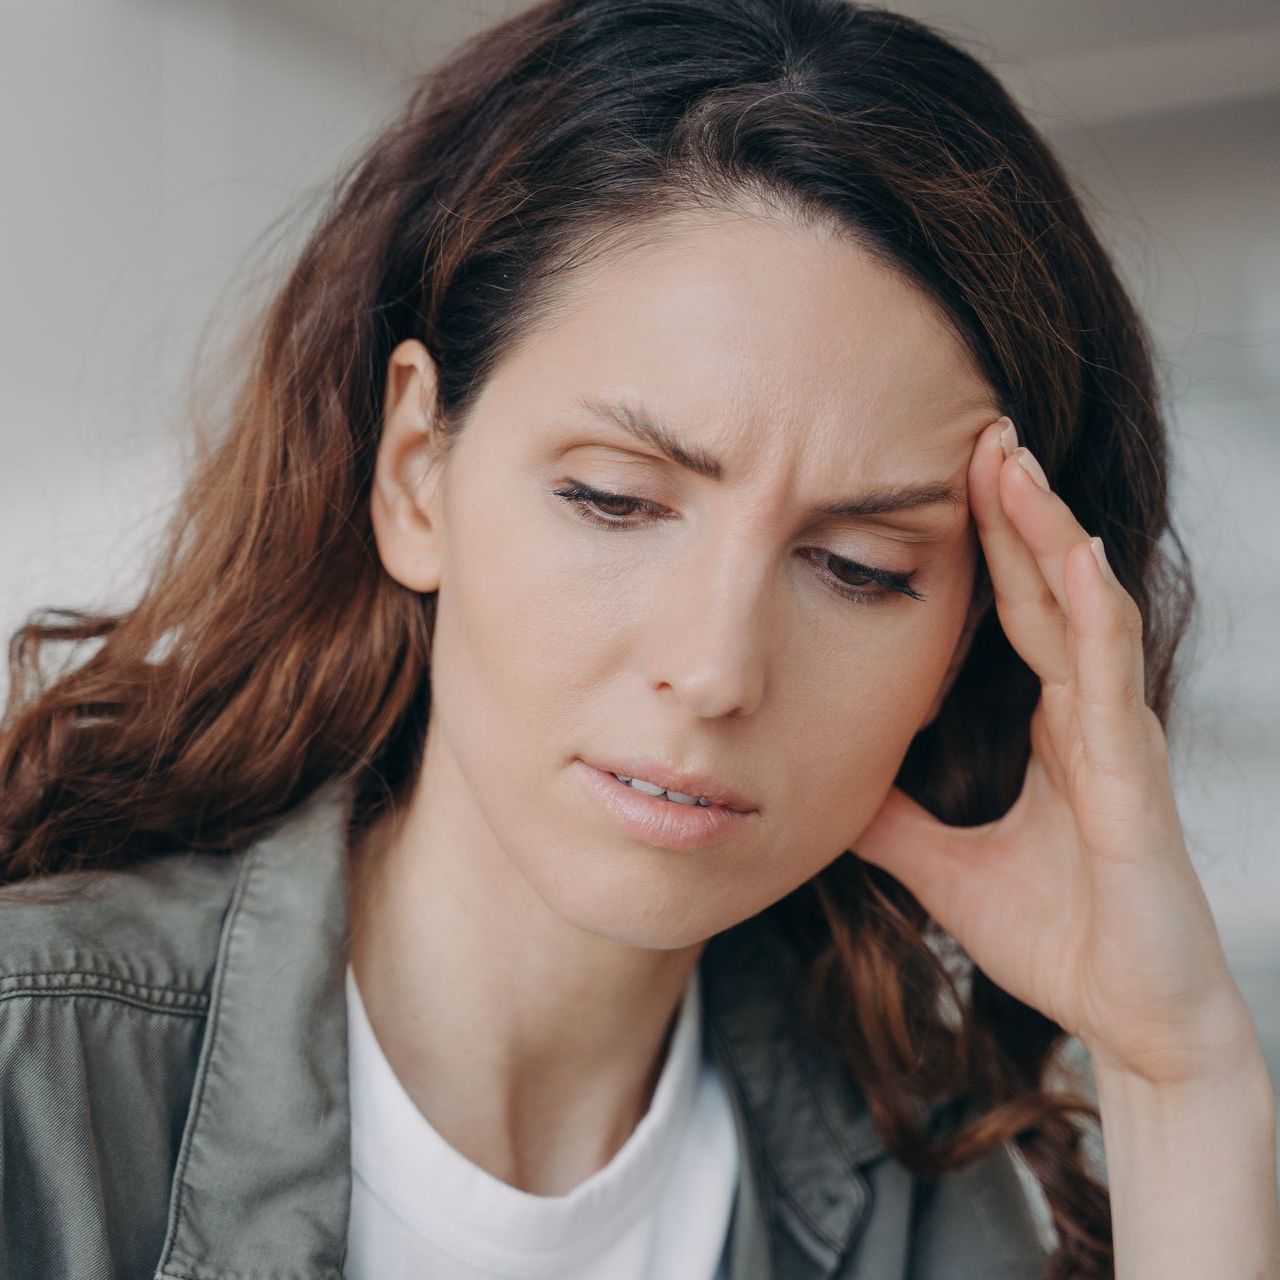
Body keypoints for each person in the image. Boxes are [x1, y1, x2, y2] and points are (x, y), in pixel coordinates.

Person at [2, 0, 1277, 1276]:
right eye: (613, 499)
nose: (716, 668)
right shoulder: (34, 1083)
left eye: (858, 568)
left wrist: (1178, 1073)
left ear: (963, 643)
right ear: (412, 477)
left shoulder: (931, 1207)